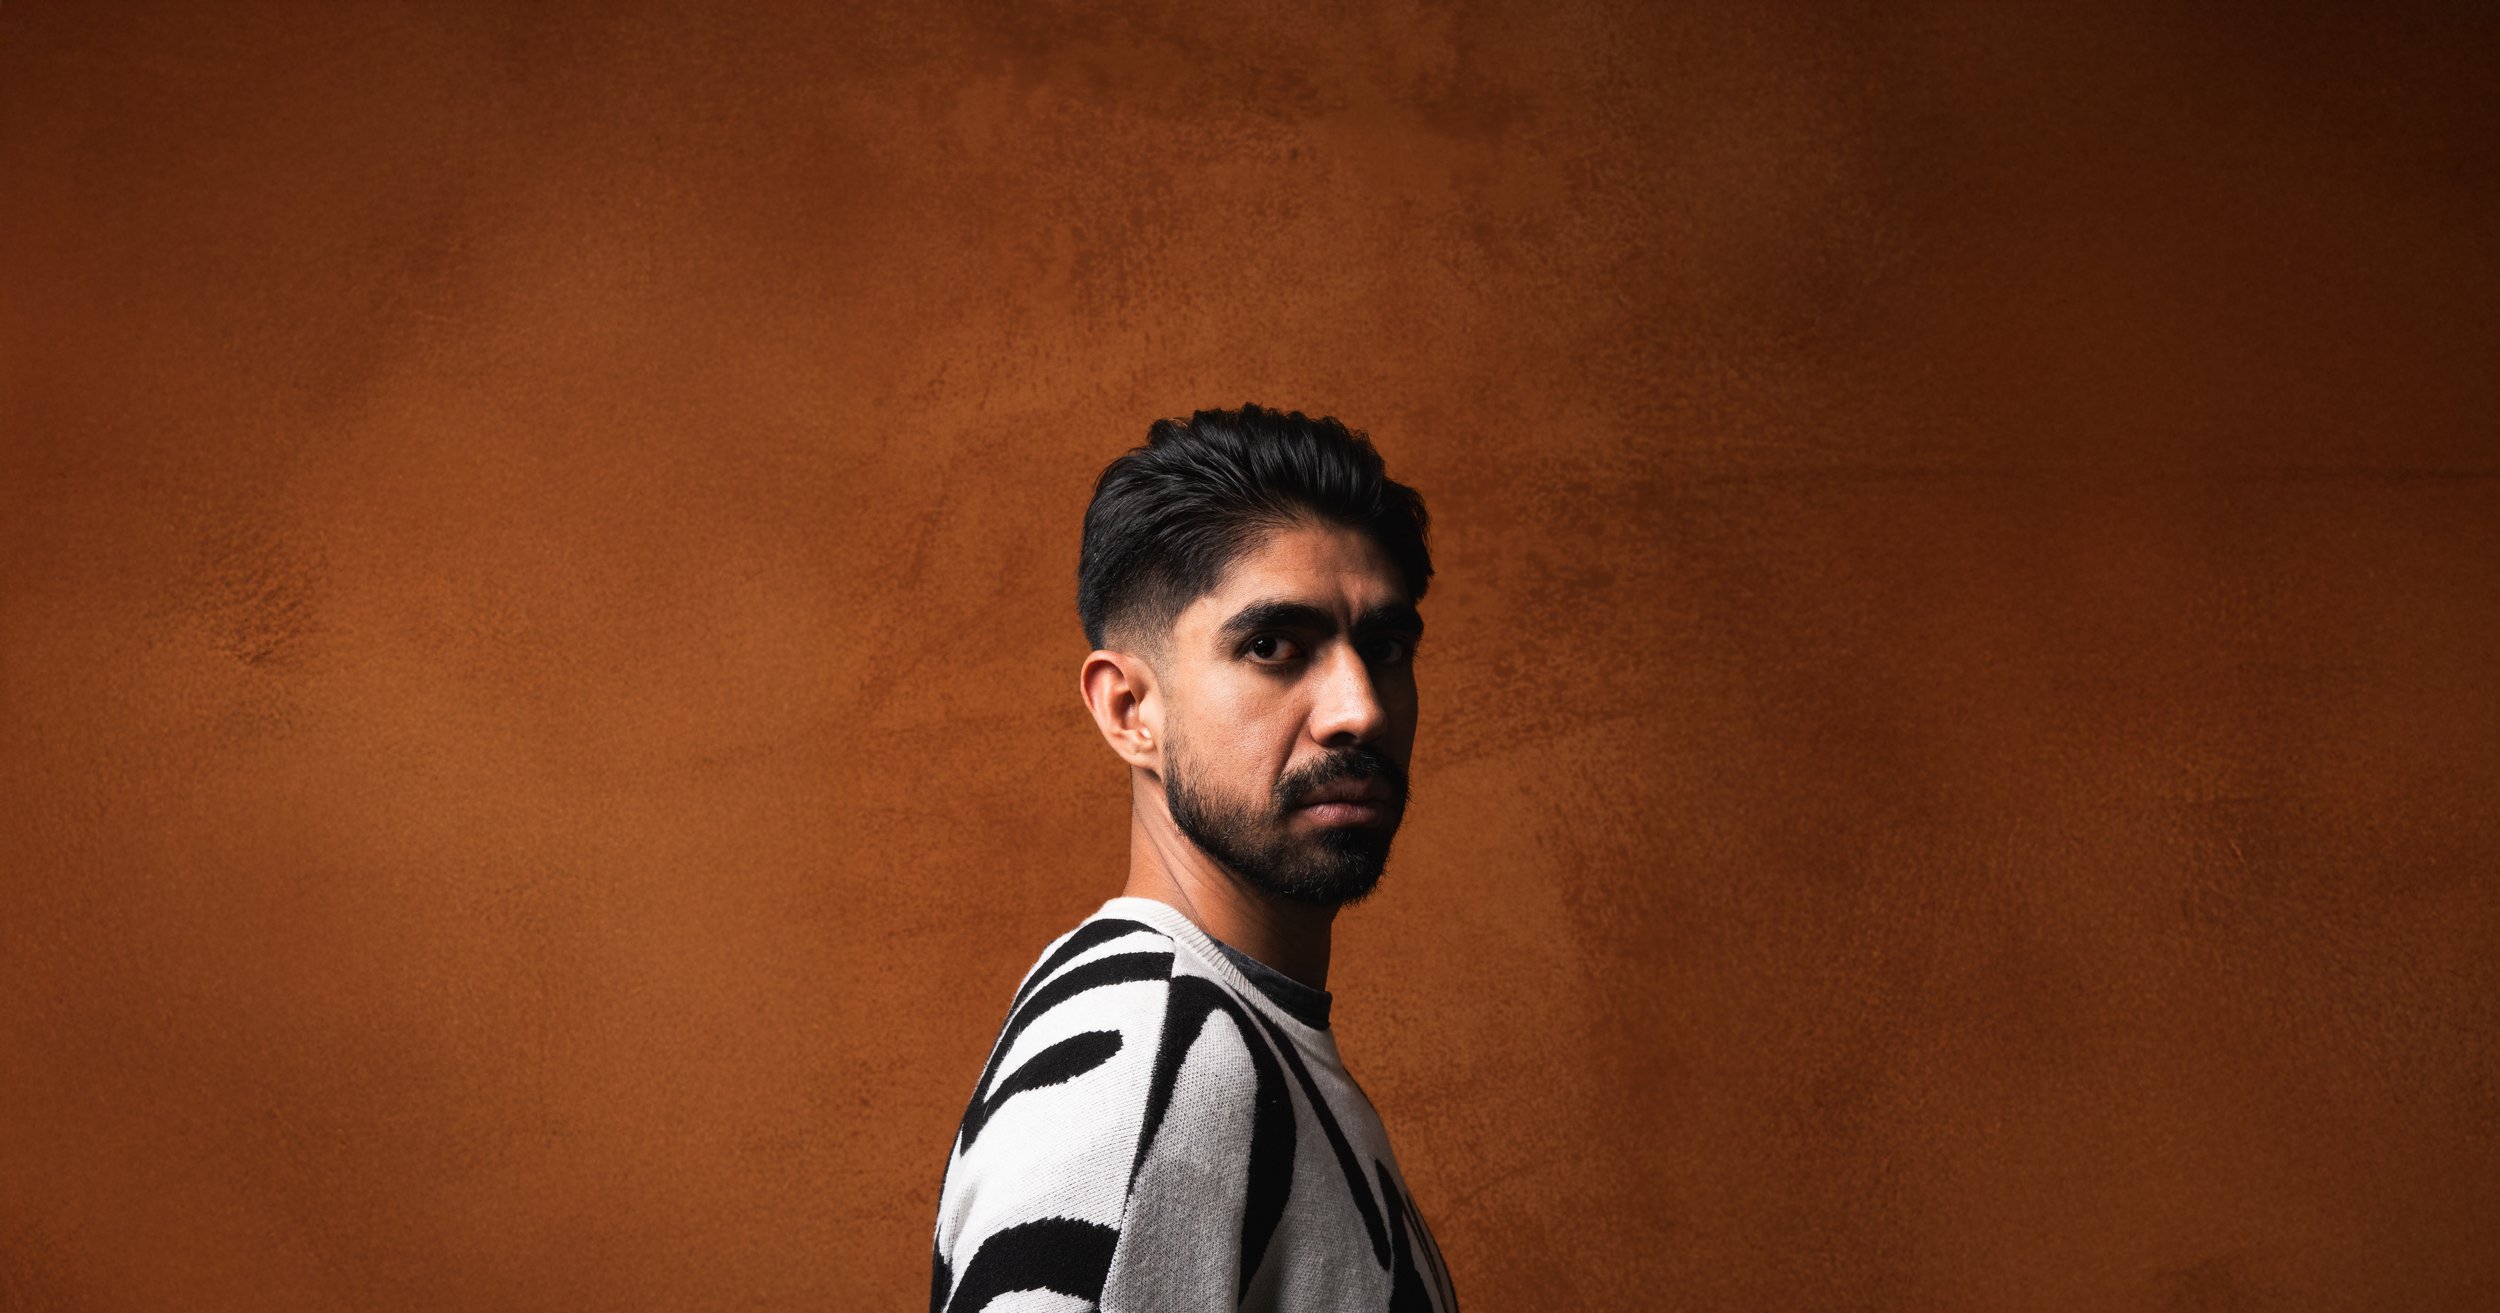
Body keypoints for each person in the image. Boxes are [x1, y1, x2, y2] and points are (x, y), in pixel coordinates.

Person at [928, 405, 1460, 1313]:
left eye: (1384, 648)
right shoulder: (1145, 1063)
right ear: (1130, 710)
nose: (1360, 709)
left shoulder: (1235, 1040)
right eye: (1272, 647)